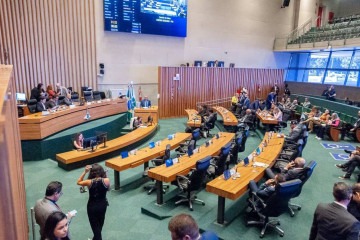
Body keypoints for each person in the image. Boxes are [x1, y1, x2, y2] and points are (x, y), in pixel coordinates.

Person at [77, 164, 110, 240]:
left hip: (92, 207)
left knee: (95, 228)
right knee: (99, 226)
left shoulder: (88, 182)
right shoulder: (107, 180)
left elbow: (78, 182)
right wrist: (105, 175)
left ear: (92, 173)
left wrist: (85, 172)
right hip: (103, 205)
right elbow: (108, 189)